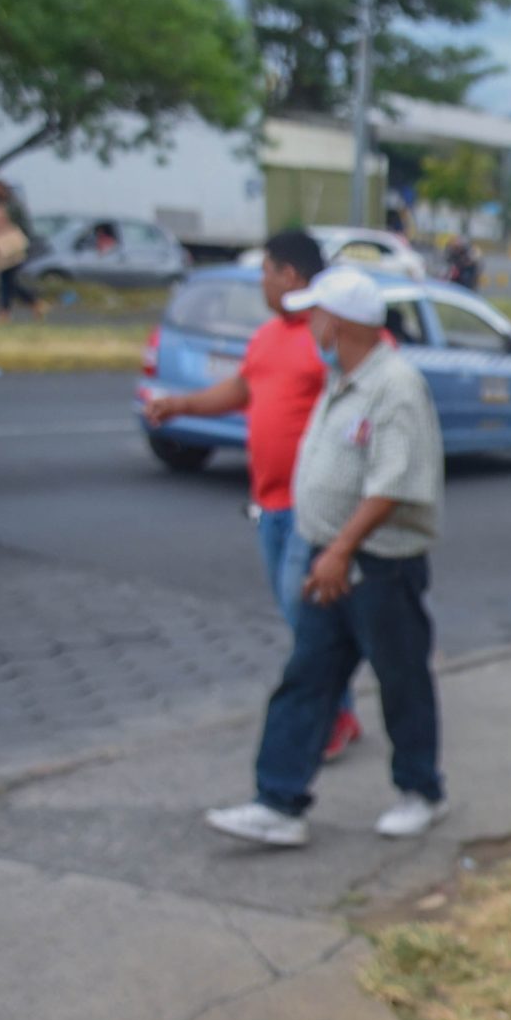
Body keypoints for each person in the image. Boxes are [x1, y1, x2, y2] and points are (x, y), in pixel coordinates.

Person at [203, 267, 448, 849]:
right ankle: (278, 802)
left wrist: (340, 550)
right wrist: (326, 551)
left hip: (377, 566)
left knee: (401, 680)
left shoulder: (394, 387)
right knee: (307, 678)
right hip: (332, 560)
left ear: (338, 325)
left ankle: (421, 791)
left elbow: (391, 484)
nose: (309, 326)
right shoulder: (344, 381)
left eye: (315, 317)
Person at [147, 230, 363, 761]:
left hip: (313, 506)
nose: (262, 281)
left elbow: (372, 386)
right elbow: (245, 389)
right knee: (300, 620)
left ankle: (332, 716)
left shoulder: (329, 330)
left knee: (305, 616)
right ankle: (340, 708)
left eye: (266, 271)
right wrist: (181, 407)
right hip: (268, 505)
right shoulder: (267, 336)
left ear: (290, 275)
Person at [0, 179, 44, 322]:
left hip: (15, 246)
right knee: (8, 279)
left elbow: (21, 226)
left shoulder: (12, 206)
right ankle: (33, 303)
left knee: (7, 279)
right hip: (3, 246)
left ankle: (8, 311)